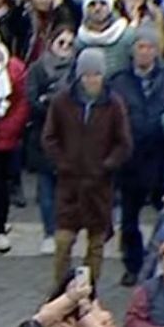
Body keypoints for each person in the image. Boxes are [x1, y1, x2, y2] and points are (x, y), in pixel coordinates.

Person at [42, 48, 132, 284]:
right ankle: (59, 290)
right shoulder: (62, 101)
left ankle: (89, 292)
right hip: (69, 184)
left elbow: (123, 142)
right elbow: (49, 137)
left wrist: (107, 165)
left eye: (96, 74)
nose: (92, 79)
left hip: (99, 186)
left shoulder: (114, 104)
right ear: (79, 75)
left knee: (96, 245)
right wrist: (63, 162)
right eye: (87, 74)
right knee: (63, 242)